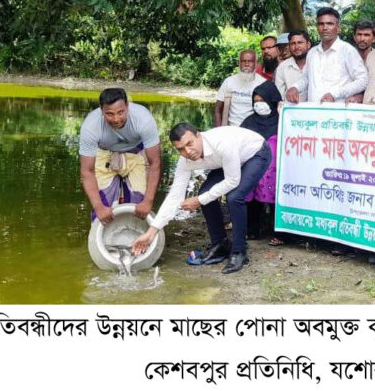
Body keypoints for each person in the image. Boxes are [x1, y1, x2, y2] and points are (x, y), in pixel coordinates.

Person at [132, 123, 271, 274]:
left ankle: (239, 252)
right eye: (181, 149)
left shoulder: (221, 143)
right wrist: (152, 232)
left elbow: (233, 181)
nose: (188, 151)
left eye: (189, 144)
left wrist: (199, 200)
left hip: (256, 154)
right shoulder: (185, 160)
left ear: (199, 135)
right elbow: (175, 195)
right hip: (227, 162)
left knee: (234, 197)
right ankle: (221, 245)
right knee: (205, 192)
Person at [79, 88, 162, 225]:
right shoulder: (90, 127)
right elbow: (87, 171)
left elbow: (155, 163)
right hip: (104, 154)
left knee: (139, 206)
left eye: (120, 112)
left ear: (127, 106)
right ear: (101, 110)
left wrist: (148, 201)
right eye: (110, 114)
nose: (116, 119)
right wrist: (99, 207)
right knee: (101, 210)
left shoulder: (143, 119)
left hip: (137, 153)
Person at [286, 7, 368, 104]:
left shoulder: (348, 51)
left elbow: (363, 80)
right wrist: (295, 87)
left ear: (338, 27)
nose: (325, 28)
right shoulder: (312, 53)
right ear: (317, 27)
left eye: (330, 24)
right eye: (321, 24)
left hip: (338, 113)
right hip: (313, 113)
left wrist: (335, 94)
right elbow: (307, 78)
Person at [240, 81, 282, 241]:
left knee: (276, 203)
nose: (259, 105)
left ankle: (279, 234)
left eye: (262, 101)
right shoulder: (249, 122)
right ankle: (252, 231)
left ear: (271, 100)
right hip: (253, 170)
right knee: (251, 201)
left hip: (275, 173)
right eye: (255, 102)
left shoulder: (283, 121)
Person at [214, 49, 266, 127]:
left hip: (254, 130)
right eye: (243, 61)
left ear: (256, 64)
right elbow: (218, 109)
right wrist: (218, 132)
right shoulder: (229, 82)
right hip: (232, 129)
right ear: (239, 63)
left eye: (250, 61)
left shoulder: (263, 84)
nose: (246, 64)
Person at [275, 29, 310, 102]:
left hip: (315, 109)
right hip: (291, 110)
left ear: (308, 45)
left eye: (300, 43)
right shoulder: (282, 67)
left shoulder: (316, 62)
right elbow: (279, 96)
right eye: (293, 44)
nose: (296, 47)